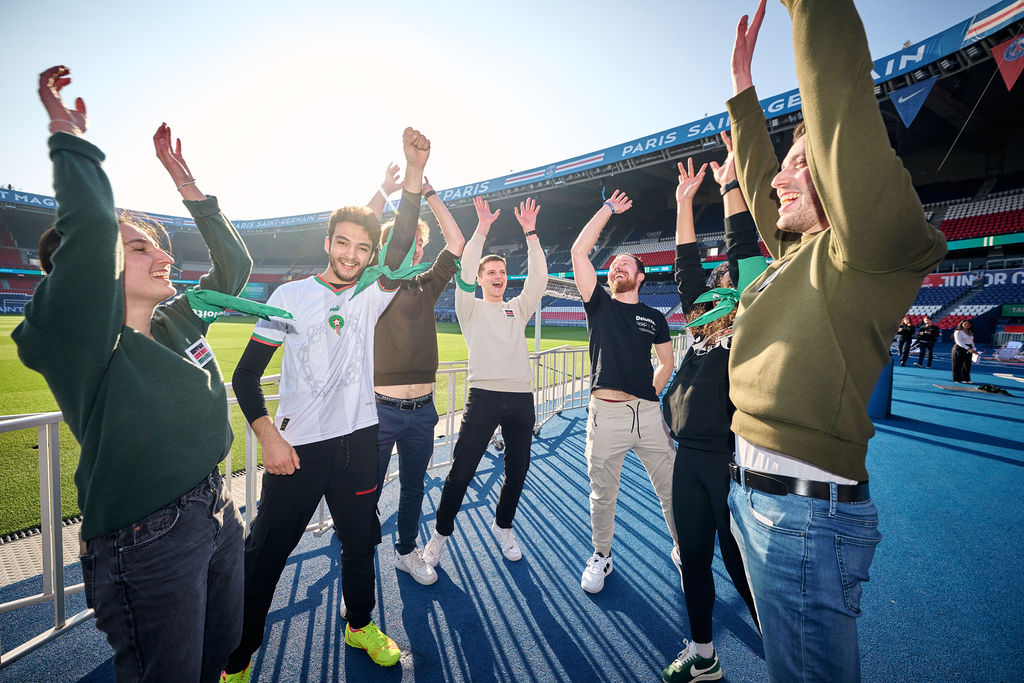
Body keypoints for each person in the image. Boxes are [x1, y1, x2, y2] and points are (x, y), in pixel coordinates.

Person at [724, 1, 947, 680]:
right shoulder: (799, 253)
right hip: (758, 500)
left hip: (801, 518)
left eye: (800, 163)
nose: (777, 179)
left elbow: (842, 105)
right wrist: (742, 93)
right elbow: (764, 184)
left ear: (839, 173)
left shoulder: (868, 252)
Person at [14, 66, 253, 683]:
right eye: (140, 248)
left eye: (156, 244)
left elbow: (233, 268)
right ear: (99, 266)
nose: (164, 255)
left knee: (220, 651)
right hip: (147, 537)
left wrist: (187, 185)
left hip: (216, 508)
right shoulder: (80, 339)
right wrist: (71, 141)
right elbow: (92, 232)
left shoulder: (179, 319)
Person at [221, 127, 429, 679]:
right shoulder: (288, 297)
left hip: (358, 444)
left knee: (360, 543)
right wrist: (268, 436)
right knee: (265, 556)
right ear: (328, 242)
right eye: (343, 243)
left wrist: (414, 173)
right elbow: (245, 376)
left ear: (371, 255)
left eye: (363, 248)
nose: (351, 255)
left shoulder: (371, 293)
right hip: (296, 450)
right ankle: (238, 657)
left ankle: (359, 624)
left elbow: (400, 244)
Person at [660, 147, 764, 683]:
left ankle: (791, 656)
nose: (716, 289)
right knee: (695, 558)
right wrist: (684, 203)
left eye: (726, 281)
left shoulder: (752, 311)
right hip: (688, 456)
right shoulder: (703, 319)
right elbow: (686, 268)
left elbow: (743, 247)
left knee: (746, 571)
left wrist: (729, 187)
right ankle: (704, 655)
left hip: (731, 458)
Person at [422, 196, 547, 568]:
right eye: (490, 272)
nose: (497, 276)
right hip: (484, 397)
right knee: (461, 472)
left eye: (501, 272)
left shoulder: (517, 308)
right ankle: (439, 535)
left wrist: (531, 234)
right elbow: (463, 269)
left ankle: (503, 525)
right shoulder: (469, 306)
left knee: (518, 470)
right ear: (479, 279)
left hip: (521, 398)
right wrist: (481, 229)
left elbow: (539, 280)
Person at [568, 190, 678, 594]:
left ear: (641, 276)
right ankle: (602, 554)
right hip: (606, 417)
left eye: (625, 264)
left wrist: (650, 394)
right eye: (614, 264)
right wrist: (607, 210)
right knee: (602, 494)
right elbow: (579, 252)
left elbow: (666, 362)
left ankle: (683, 549)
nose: (617, 267)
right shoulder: (599, 304)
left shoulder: (654, 317)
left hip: (647, 416)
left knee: (670, 490)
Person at [369, 172, 465, 586]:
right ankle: (358, 570)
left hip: (423, 412)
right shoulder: (376, 283)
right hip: (379, 411)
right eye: (411, 241)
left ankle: (406, 551)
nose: (418, 247)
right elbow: (362, 233)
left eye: (422, 242)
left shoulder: (428, 283)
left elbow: (456, 242)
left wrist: (430, 193)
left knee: (413, 488)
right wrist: (384, 191)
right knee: (366, 492)